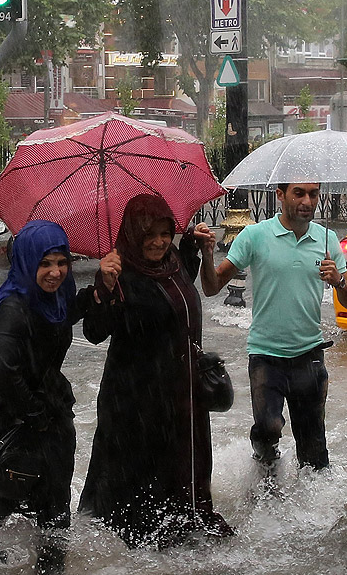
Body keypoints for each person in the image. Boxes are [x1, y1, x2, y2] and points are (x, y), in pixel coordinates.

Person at [79, 194, 235, 548]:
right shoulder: (120, 274)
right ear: (133, 234)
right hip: (136, 398)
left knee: (182, 464)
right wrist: (103, 286)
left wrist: (194, 241)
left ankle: (183, 523)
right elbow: (93, 332)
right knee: (140, 477)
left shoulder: (173, 261)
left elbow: (185, 282)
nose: (158, 242)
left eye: (165, 233)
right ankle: (141, 540)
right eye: (149, 234)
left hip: (180, 390)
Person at [200, 183, 347, 485]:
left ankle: (312, 517)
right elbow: (211, 287)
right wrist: (207, 255)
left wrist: (338, 281)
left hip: (309, 356)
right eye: (299, 193)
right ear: (281, 195)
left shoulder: (327, 241)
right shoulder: (255, 236)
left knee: (314, 454)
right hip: (266, 357)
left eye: (313, 194)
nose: (307, 201)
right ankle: (264, 482)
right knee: (269, 428)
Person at [0, 220, 88, 575]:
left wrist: (96, 294)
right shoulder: (11, 307)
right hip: (3, 414)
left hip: (45, 405)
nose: (55, 272)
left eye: (61, 262)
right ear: (27, 262)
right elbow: (3, 369)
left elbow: (58, 323)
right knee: (9, 491)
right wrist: (34, 414)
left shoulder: (60, 295)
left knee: (55, 494)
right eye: (45, 264)